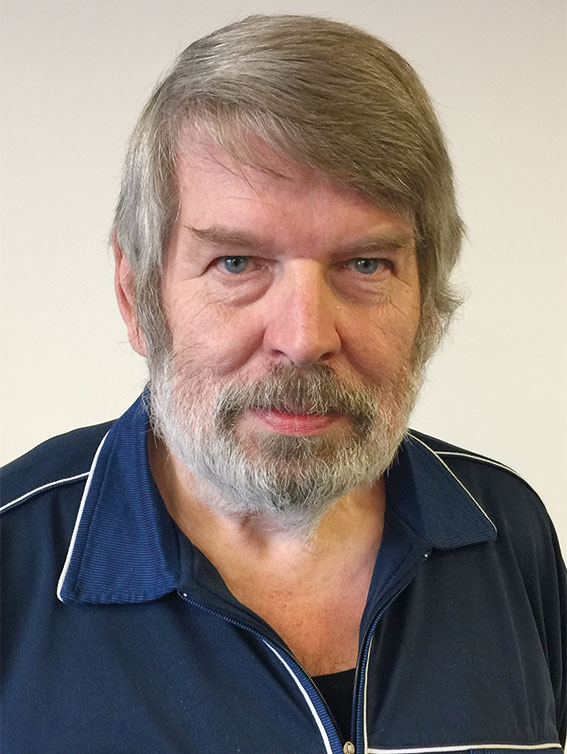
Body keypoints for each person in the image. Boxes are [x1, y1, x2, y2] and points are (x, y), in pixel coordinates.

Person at [1, 14, 565, 753]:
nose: (303, 339)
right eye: (236, 263)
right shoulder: (13, 557)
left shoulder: (507, 530)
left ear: (426, 301)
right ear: (137, 296)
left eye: (365, 264)